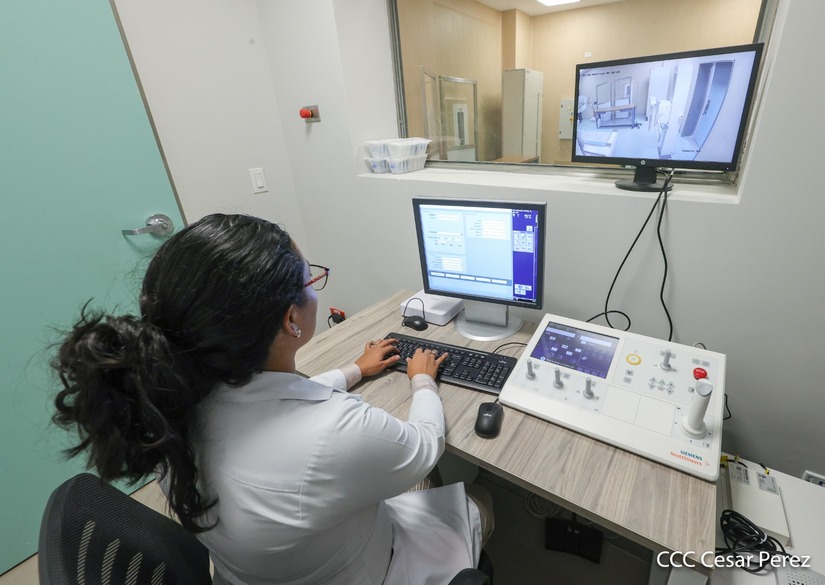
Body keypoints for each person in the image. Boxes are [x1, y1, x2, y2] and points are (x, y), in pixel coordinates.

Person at [52, 213, 491, 585]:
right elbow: (423, 446)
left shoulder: (164, 405)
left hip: (256, 572)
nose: (315, 288)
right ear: (291, 319)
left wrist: (355, 369)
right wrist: (422, 379)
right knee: (477, 501)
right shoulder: (337, 432)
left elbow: (270, 405)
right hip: (372, 570)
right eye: (310, 279)